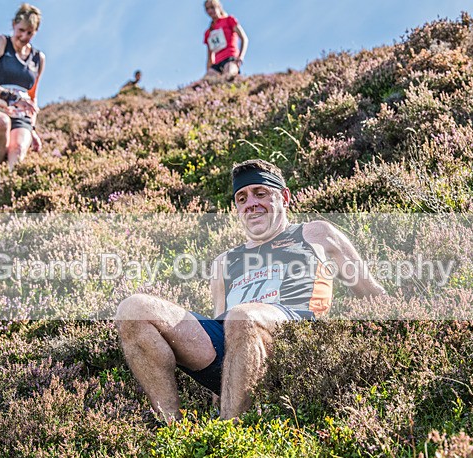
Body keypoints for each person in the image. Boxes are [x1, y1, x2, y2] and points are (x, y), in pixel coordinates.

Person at [115, 159, 386, 421]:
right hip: (238, 343)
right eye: (242, 198)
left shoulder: (315, 233)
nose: (251, 204)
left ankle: (230, 435)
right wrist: (220, 390)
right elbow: (221, 322)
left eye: (260, 193)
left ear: (285, 197)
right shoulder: (225, 261)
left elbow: (372, 293)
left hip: (295, 340)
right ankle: (172, 429)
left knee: (243, 315)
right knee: (133, 309)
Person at [0, 3, 45, 171]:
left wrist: (32, 129)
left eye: (30, 32)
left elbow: (33, 98)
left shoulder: (38, 59)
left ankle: (9, 189)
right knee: (1, 123)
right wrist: (10, 96)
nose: (24, 36)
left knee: (18, 149)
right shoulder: (1, 42)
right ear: (13, 24)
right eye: (21, 30)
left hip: (21, 116)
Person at [203, 0, 248, 78]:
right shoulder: (208, 32)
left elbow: (244, 38)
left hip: (231, 58)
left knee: (228, 76)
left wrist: (240, 57)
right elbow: (210, 55)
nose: (210, 11)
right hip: (217, 64)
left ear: (219, 7)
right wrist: (208, 70)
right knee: (206, 81)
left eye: (212, 7)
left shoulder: (229, 20)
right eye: (207, 9)